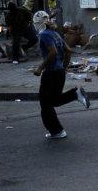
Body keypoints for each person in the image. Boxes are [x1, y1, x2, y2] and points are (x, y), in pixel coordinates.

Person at [32, 10, 89, 139]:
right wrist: (64, 67)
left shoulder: (45, 35)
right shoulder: (55, 33)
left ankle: (57, 131)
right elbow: (68, 50)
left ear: (38, 23)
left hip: (51, 73)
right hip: (58, 72)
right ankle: (75, 94)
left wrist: (40, 68)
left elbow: (53, 52)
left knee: (45, 104)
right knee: (54, 101)